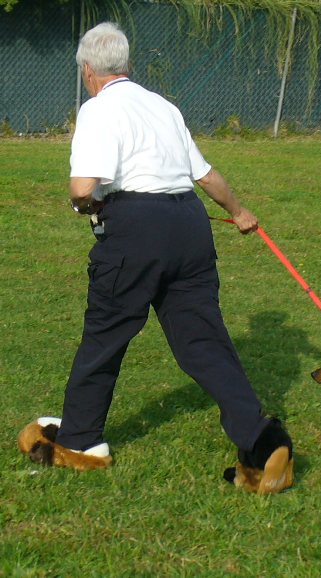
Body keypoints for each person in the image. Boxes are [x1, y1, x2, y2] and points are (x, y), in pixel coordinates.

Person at [54, 22, 293, 491]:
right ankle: (262, 443)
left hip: (135, 228)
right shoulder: (163, 106)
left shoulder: (98, 110)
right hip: (190, 225)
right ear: (126, 65)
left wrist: (88, 207)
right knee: (203, 341)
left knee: (105, 334)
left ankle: (81, 440)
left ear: (87, 70)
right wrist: (240, 212)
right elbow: (205, 175)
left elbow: (83, 188)